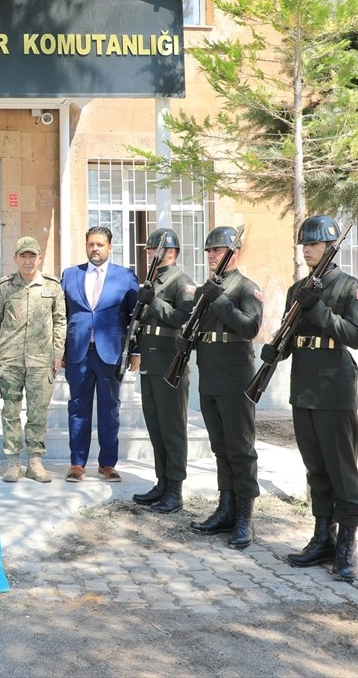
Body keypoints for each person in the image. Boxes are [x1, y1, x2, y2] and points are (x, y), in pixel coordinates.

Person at [261, 216, 358, 580]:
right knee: (316, 467)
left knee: (341, 468)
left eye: (314, 244)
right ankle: (323, 536)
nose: (306, 249)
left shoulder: (349, 286)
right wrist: (277, 349)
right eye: (304, 244)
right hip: (303, 384)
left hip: (335, 385)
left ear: (331, 248)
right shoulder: (299, 288)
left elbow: (356, 336)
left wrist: (318, 308)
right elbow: (291, 336)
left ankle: (347, 544)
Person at [187, 225, 262, 549]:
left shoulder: (246, 288)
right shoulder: (206, 289)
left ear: (235, 253)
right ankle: (226, 508)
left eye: (217, 250)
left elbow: (250, 327)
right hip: (210, 375)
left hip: (235, 376)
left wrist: (219, 301)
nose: (212, 255)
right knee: (220, 447)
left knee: (240, 449)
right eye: (209, 251)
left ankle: (245, 516)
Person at [61, 225, 139, 483]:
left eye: (100, 244)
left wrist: (135, 352)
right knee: (77, 409)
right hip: (78, 353)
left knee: (110, 409)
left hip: (110, 354)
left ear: (110, 247)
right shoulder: (70, 275)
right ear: (86, 246)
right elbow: (60, 316)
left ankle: (107, 464)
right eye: (91, 244)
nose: (95, 248)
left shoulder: (125, 277)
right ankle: (77, 463)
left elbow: (135, 317)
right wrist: (59, 351)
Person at [0, 236, 66, 483]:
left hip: (41, 361)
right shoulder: (5, 287)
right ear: (16, 258)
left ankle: (35, 461)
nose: (28, 261)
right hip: (9, 360)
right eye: (23, 256)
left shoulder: (52, 286)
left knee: (37, 413)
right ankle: (13, 462)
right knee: (10, 412)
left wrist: (58, 353)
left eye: (33, 256)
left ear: (39, 258)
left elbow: (60, 321)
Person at [131, 228, 196, 513]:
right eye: (147, 250)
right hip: (150, 363)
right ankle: (162, 482)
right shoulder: (152, 281)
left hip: (170, 364)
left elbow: (184, 319)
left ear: (171, 252)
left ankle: (175, 489)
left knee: (172, 429)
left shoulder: (181, 282)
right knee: (155, 427)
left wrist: (153, 302)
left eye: (153, 250)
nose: (149, 254)